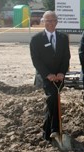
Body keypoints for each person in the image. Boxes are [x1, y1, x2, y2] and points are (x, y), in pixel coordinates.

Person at [30, 11, 71, 141]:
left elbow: (66, 57)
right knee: (53, 97)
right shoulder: (36, 39)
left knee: (54, 100)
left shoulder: (63, 38)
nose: (51, 23)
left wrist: (61, 73)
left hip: (59, 76)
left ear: (57, 22)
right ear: (43, 22)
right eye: (48, 20)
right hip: (46, 77)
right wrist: (48, 74)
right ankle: (54, 129)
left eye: (53, 20)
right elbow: (36, 60)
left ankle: (47, 132)